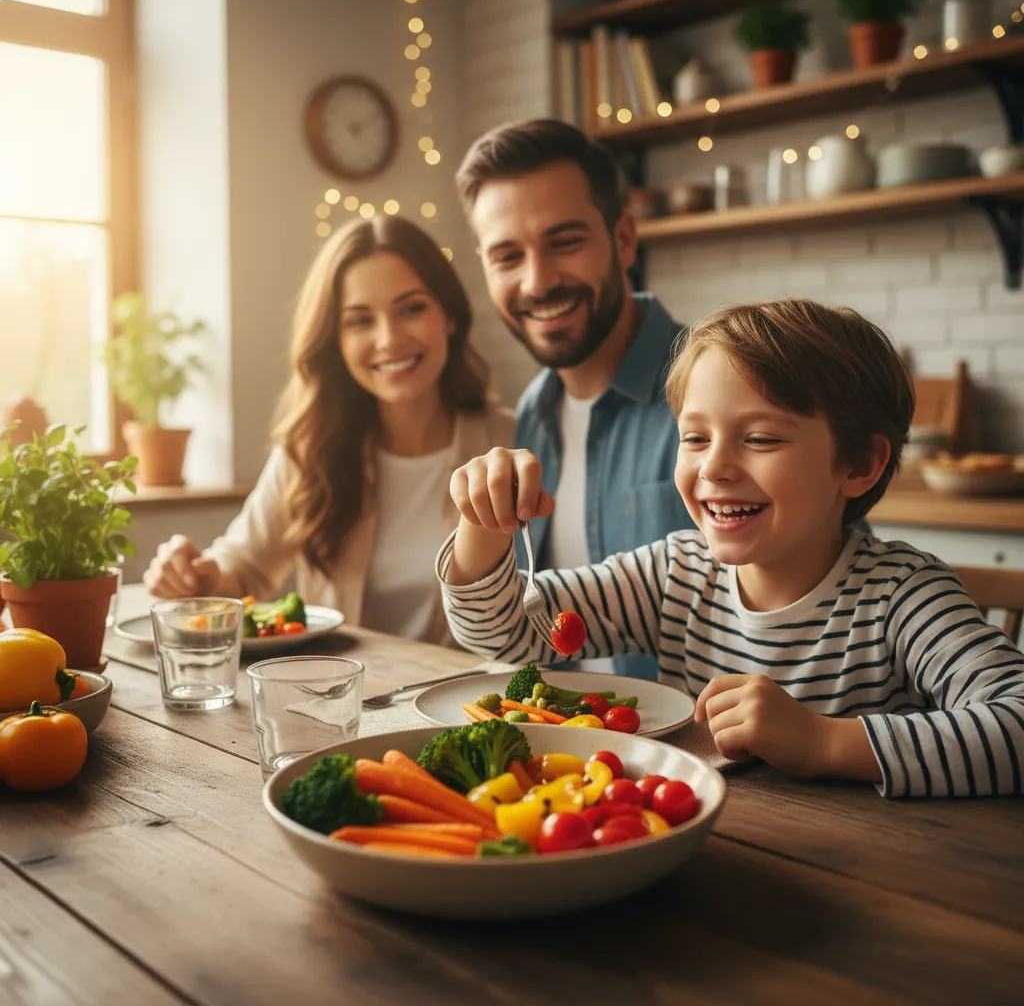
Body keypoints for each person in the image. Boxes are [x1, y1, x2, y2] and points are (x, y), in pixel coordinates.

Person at [436, 298, 1024, 798]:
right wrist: (483, 526)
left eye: (761, 438)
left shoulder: (901, 595)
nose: (714, 467)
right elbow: (505, 634)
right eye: (694, 438)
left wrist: (824, 741)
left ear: (859, 464)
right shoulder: (674, 574)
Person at [145, 215, 512, 645]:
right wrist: (194, 577)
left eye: (411, 308)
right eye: (360, 320)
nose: (389, 339)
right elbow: (243, 567)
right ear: (334, 340)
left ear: (449, 314)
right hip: (339, 703)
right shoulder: (311, 447)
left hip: (469, 706)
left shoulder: (512, 443)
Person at [455, 118, 692, 677]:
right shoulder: (533, 412)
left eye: (564, 242)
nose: (537, 282)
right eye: (507, 256)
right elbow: (519, 628)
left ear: (624, 239)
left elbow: (838, 591)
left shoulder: (720, 387)